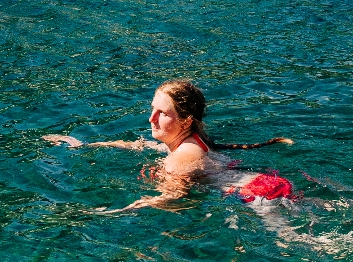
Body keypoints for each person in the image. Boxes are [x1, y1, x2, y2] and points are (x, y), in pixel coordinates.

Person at [47, 79, 292, 211]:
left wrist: (116, 211)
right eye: (152, 109)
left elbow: (174, 196)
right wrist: (87, 144)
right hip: (265, 185)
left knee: (301, 241)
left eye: (162, 113)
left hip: (257, 196)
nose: (151, 118)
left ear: (185, 122)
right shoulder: (190, 141)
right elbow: (138, 145)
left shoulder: (180, 157)